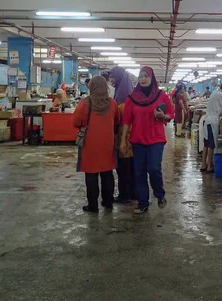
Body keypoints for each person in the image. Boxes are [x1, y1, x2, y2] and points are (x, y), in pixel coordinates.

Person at [121, 66, 174, 214]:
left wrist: (164, 117)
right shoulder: (132, 98)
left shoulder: (161, 95)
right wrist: (123, 141)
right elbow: (126, 121)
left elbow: (171, 113)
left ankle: (159, 194)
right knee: (139, 173)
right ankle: (143, 203)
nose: (143, 79)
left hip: (156, 139)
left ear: (152, 78)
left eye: (146, 76)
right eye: (140, 76)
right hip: (137, 140)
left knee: (154, 168)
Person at [73, 76, 120, 213]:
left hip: (90, 144)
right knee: (107, 173)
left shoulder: (85, 103)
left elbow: (75, 122)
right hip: (107, 144)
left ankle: (93, 206)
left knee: (91, 175)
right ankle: (108, 202)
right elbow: (117, 120)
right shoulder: (112, 103)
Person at [110, 66, 135, 204]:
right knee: (130, 167)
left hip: (124, 137)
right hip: (130, 138)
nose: (112, 80)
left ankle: (125, 195)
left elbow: (120, 120)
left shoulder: (123, 97)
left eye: (113, 77)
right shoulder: (125, 92)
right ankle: (132, 193)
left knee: (124, 167)